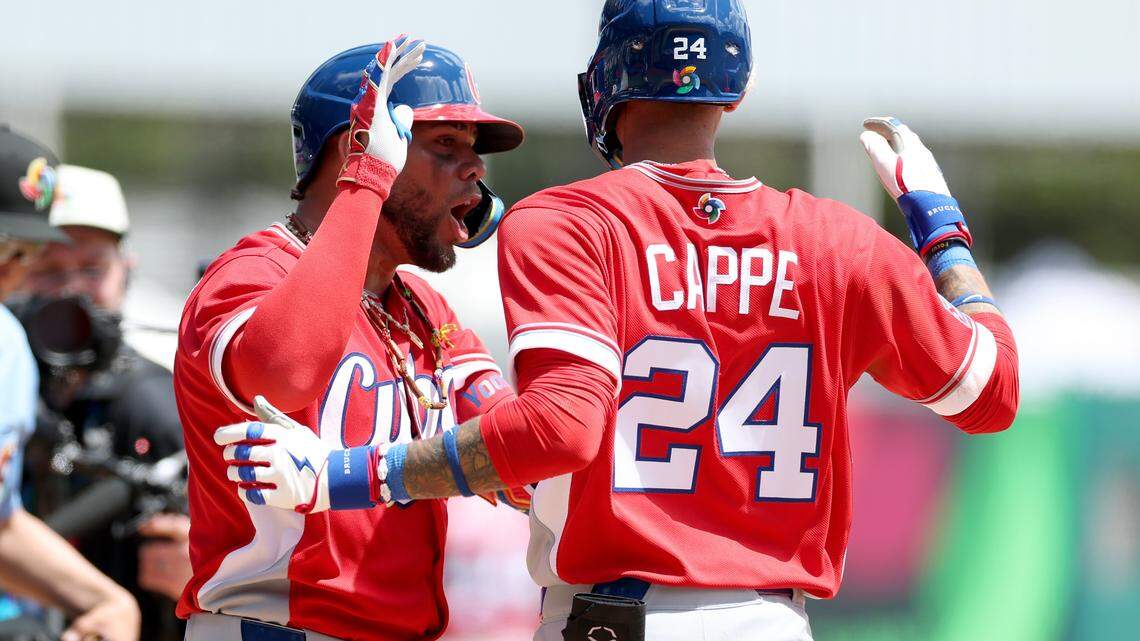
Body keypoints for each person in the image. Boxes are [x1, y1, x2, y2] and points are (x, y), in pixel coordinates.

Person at [217, 2, 1020, 640]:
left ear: (604, 83)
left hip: (617, 619)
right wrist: (942, 234)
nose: (472, 168)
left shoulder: (570, 222)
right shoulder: (841, 238)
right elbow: (993, 392)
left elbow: (557, 430)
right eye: (445, 146)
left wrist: (352, 472)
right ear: (735, 89)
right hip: (776, 621)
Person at [173, 36, 524, 641]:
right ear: (356, 148)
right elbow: (286, 373)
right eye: (445, 144)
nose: (475, 169)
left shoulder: (422, 308)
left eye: (473, 149)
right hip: (276, 627)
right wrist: (366, 183)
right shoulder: (251, 274)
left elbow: (514, 457)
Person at [15, 164, 191, 637]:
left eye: (92, 269)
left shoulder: (156, 404)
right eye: (48, 270)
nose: (72, 290)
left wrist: (205, 573)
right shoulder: (12, 387)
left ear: (125, 271)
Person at [0, 124, 140, 641]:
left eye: (24, 251)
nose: (11, 270)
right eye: (2, 244)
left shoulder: (7, 344)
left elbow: (2, 524)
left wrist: (108, 602)